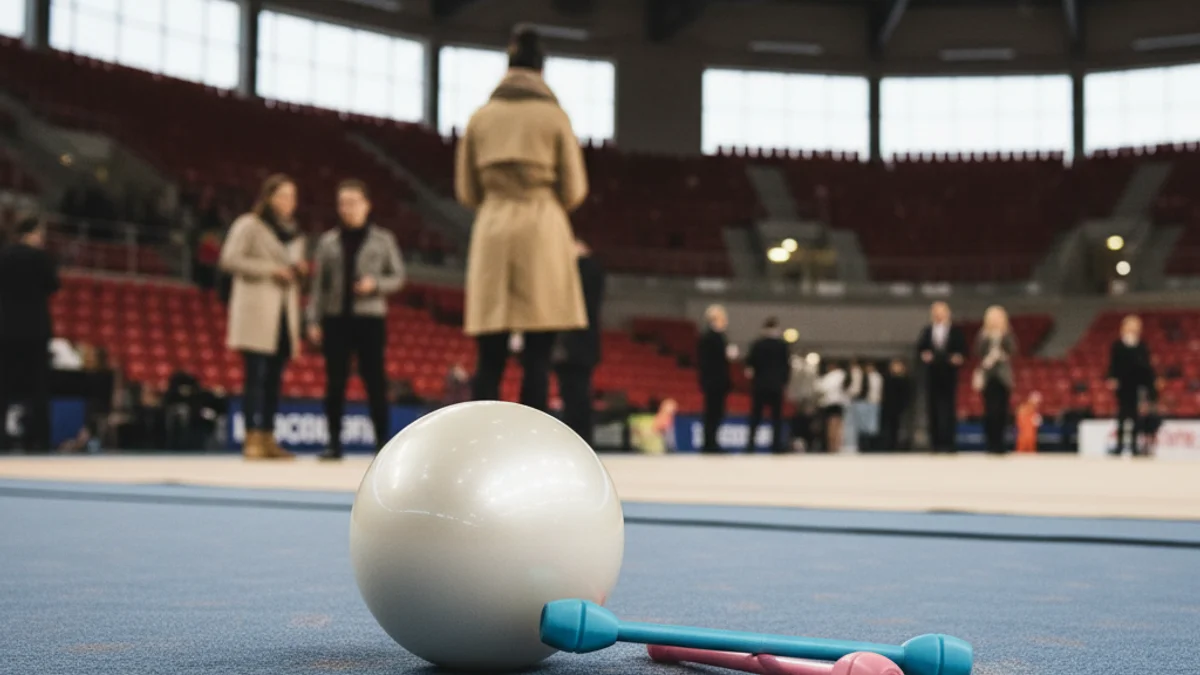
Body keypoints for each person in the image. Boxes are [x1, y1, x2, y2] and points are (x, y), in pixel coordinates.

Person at [456, 28, 588, 413]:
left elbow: (466, 191)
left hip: (493, 228)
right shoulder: (555, 117)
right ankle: (534, 435)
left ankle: (481, 436)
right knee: (538, 356)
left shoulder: (480, 118)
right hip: (542, 228)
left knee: (489, 355)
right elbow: (575, 189)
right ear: (542, 70)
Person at [307, 179, 405, 460]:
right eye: (342, 203)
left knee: (375, 381)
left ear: (366, 205)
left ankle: (382, 444)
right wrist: (312, 320)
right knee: (334, 382)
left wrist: (375, 285)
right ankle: (333, 443)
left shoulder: (383, 240)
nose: (347, 208)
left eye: (353, 203)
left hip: (370, 320)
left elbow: (398, 277)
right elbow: (318, 286)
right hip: (335, 319)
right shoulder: (328, 242)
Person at [219, 174, 307, 460]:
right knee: (255, 377)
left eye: (292, 196)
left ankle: (268, 436)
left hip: (283, 313)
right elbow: (229, 259)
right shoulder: (250, 225)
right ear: (268, 197)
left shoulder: (295, 233)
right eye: (282, 195)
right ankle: (251, 437)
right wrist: (270, 270)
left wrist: (299, 271)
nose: (288, 202)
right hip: (256, 311)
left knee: (273, 380)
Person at [0, 215, 59, 453]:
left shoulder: (4, 255)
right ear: (32, 233)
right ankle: (39, 440)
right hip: (35, 329)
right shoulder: (40, 258)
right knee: (38, 386)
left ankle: (2, 439)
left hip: (6, 329)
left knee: (3, 385)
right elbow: (53, 286)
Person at [553, 240, 606, 445]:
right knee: (570, 396)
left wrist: (580, 260)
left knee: (578, 397)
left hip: (579, 348)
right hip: (569, 348)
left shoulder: (588, 273)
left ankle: (581, 439)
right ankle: (575, 438)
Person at [916, 301, 967, 452]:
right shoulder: (927, 331)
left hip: (949, 374)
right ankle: (935, 443)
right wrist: (924, 355)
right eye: (936, 312)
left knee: (949, 408)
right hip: (932, 374)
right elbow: (920, 349)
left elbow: (963, 350)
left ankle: (949, 442)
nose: (939, 315)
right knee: (932, 408)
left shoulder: (955, 332)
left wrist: (958, 357)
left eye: (942, 312)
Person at [1106, 315, 1156, 456]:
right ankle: (1120, 446)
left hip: (1137, 385)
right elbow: (1113, 363)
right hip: (1123, 385)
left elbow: (1147, 367)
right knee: (1122, 416)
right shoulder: (1118, 345)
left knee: (1135, 417)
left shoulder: (1142, 346)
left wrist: (1149, 384)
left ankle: (1134, 446)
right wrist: (1112, 377)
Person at [743, 317, 790, 453]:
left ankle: (750, 444)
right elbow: (786, 367)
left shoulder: (757, 344)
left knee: (756, 416)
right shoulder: (782, 346)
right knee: (776, 417)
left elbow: (749, 365)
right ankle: (776, 445)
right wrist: (783, 382)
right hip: (776, 386)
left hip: (760, 385)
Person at [975, 305, 1017, 454]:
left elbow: (1013, 350)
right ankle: (990, 443)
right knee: (990, 411)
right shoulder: (983, 335)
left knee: (1002, 411)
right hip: (989, 377)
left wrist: (1002, 340)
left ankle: (1001, 443)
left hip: (1003, 377)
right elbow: (978, 351)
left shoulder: (1007, 334)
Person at [696, 304, 731, 453]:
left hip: (717, 381)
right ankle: (709, 443)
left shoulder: (718, 337)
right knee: (712, 412)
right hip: (713, 381)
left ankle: (712, 441)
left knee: (717, 413)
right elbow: (708, 362)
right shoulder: (710, 337)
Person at [817, 360, 850, 453]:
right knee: (835, 426)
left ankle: (833, 446)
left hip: (833, 403)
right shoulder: (840, 375)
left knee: (833, 426)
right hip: (834, 404)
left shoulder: (834, 376)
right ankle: (834, 446)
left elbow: (820, 388)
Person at [879, 358, 912, 451]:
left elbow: (907, 395)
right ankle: (887, 445)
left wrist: (904, 406)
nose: (895, 368)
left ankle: (897, 445)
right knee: (887, 427)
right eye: (894, 366)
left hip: (899, 408)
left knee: (898, 427)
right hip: (887, 407)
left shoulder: (905, 380)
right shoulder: (887, 379)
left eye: (898, 366)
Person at [854, 361, 884, 451]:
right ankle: (862, 445)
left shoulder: (877, 377)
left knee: (872, 426)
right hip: (862, 402)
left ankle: (871, 446)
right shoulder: (862, 376)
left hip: (874, 402)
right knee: (862, 425)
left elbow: (879, 390)